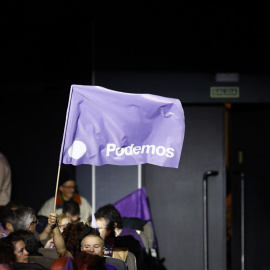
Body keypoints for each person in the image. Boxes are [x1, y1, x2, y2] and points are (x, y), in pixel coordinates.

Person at [48, 213, 117, 270]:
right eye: (87, 247)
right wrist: (55, 227)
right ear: (82, 249)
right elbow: (62, 251)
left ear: (103, 249)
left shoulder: (111, 268)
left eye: (96, 246)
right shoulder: (75, 266)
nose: (91, 250)